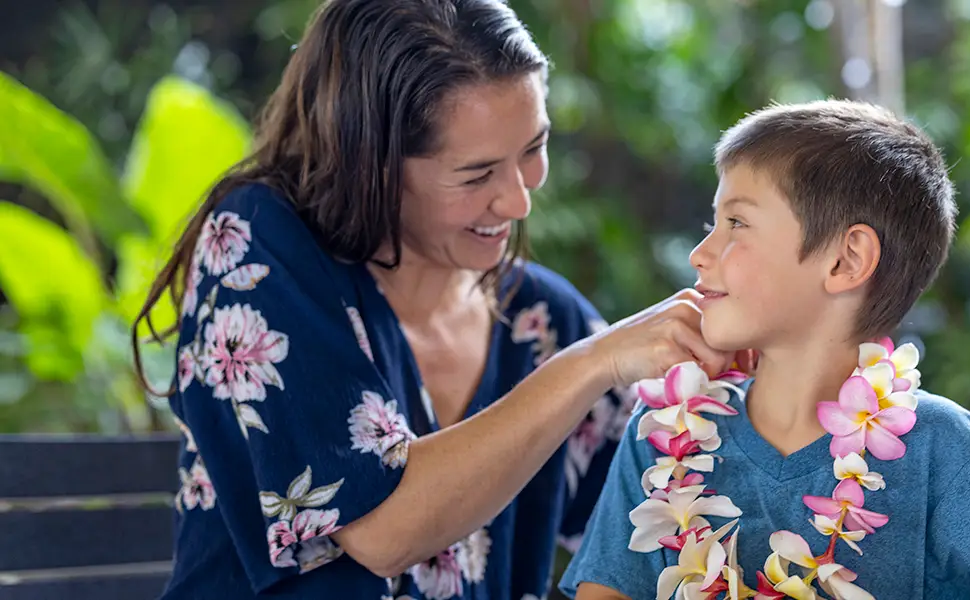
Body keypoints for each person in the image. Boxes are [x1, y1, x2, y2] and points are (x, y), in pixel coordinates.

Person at [130, 1, 735, 598]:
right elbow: (382, 533)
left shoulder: (539, 318)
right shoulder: (262, 246)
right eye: (477, 175)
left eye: (533, 148)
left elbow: (669, 506)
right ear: (370, 163)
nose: (519, 200)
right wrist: (592, 360)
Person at [560, 101, 970, 599]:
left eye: (736, 223)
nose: (700, 253)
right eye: (710, 224)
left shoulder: (941, 450)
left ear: (845, 261)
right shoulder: (661, 435)